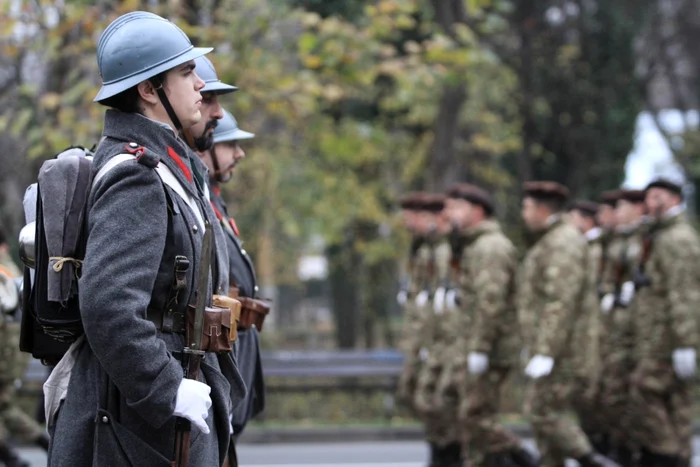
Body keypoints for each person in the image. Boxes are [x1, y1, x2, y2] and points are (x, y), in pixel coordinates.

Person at [46, 11, 244, 466]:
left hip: (149, 417)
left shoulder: (167, 164)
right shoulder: (137, 174)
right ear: (149, 90)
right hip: (133, 425)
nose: (199, 85)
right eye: (186, 72)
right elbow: (109, 304)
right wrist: (165, 388)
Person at [517, 181, 619, 467]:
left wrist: (546, 350)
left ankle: (593, 461)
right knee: (545, 420)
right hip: (555, 346)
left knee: (542, 411)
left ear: (541, 208)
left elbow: (560, 300)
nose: (523, 214)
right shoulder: (551, 239)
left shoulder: (562, 242)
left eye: (526, 207)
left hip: (565, 350)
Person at [441, 184, 534, 467]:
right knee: (473, 414)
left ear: (478, 210)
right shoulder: (473, 244)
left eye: (457, 207)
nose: (449, 214)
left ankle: (525, 457)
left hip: (491, 347)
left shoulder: (490, 247)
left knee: (474, 414)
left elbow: (489, 302)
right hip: (475, 343)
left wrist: (480, 347)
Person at [200, 109, 268, 440]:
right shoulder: (200, 201)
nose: (239, 154)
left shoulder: (214, 201)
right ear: (205, 147)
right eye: (230, 145)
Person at [628, 179, 700, 467]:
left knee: (644, 390)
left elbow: (686, 294)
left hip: (669, 338)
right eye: (648, 198)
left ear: (673, 199)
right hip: (658, 336)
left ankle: (668, 455)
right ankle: (677, 457)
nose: (649, 203)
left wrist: (685, 343)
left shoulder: (677, 239)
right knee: (676, 405)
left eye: (656, 197)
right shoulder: (659, 235)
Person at [409, 193, 461, 467]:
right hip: (436, 337)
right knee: (431, 401)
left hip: (451, 340)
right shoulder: (427, 248)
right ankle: (442, 455)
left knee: (446, 403)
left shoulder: (448, 248)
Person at [597, 189, 645, 465]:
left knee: (633, 393)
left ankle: (634, 449)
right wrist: (608, 292)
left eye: (622, 207)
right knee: (614, 392)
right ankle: (621, 449)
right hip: (617, 324)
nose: (616, 213)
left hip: (639, 328)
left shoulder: (645, 238)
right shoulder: (617, 239)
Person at [0, 226, 47, 467]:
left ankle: (18, 456)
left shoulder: (2, 271)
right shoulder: (10, 267)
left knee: (5, 406)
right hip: (11, 352)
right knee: (5, 407)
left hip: (4, 353)